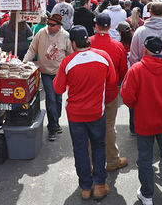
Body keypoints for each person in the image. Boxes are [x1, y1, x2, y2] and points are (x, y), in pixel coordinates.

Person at [53, 26, 116, 200]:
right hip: (97, 111)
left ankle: (86, 187)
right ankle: (100, 184)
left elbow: (58, 88)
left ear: (73, 43)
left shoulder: (68, 62)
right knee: (98, 146)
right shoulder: (103, 57)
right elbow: (112, 80)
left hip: (75, 114)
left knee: (80, 149)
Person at [122, 36, 162, 205]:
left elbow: (127, 97)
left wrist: (138, 105)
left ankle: (147, 194)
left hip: (144, 121)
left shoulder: (136, 69)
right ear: (161, 50)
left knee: (145, 159)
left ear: (145, 49)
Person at [24, 13, 73, 141]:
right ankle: (52, 127)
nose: (49, 26)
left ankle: (55, 121)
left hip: (59, 73)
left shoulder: (66, 36)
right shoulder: (41, 33)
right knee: (50, 98)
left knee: (58, 99)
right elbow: (32, 49)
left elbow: (70, 54)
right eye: (48, 24)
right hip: (45, 72)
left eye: (52, 25)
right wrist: (24, 62)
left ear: (59, 26)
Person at [90, 14, 128, 172]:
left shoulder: (88, 42)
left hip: (90, 91)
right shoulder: (117, 46)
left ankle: (92, 163)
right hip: (110, 90)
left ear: (96, 26)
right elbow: (123, 70)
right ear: (110, 26)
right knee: (109, 126)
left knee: (91, 127)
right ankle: (112, 160)